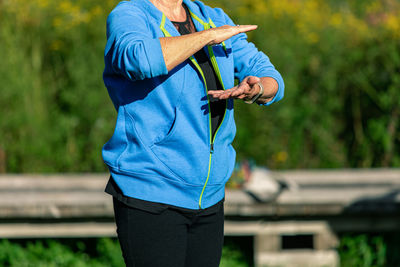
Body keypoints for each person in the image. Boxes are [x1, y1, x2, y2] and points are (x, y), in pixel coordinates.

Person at [102, 0, 284, 266]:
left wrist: (257, 89)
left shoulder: (211, 16)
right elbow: (138, 58)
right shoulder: (130, 14)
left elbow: (268, 75)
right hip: (151, 191)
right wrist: (207, 37)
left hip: (209, 196)